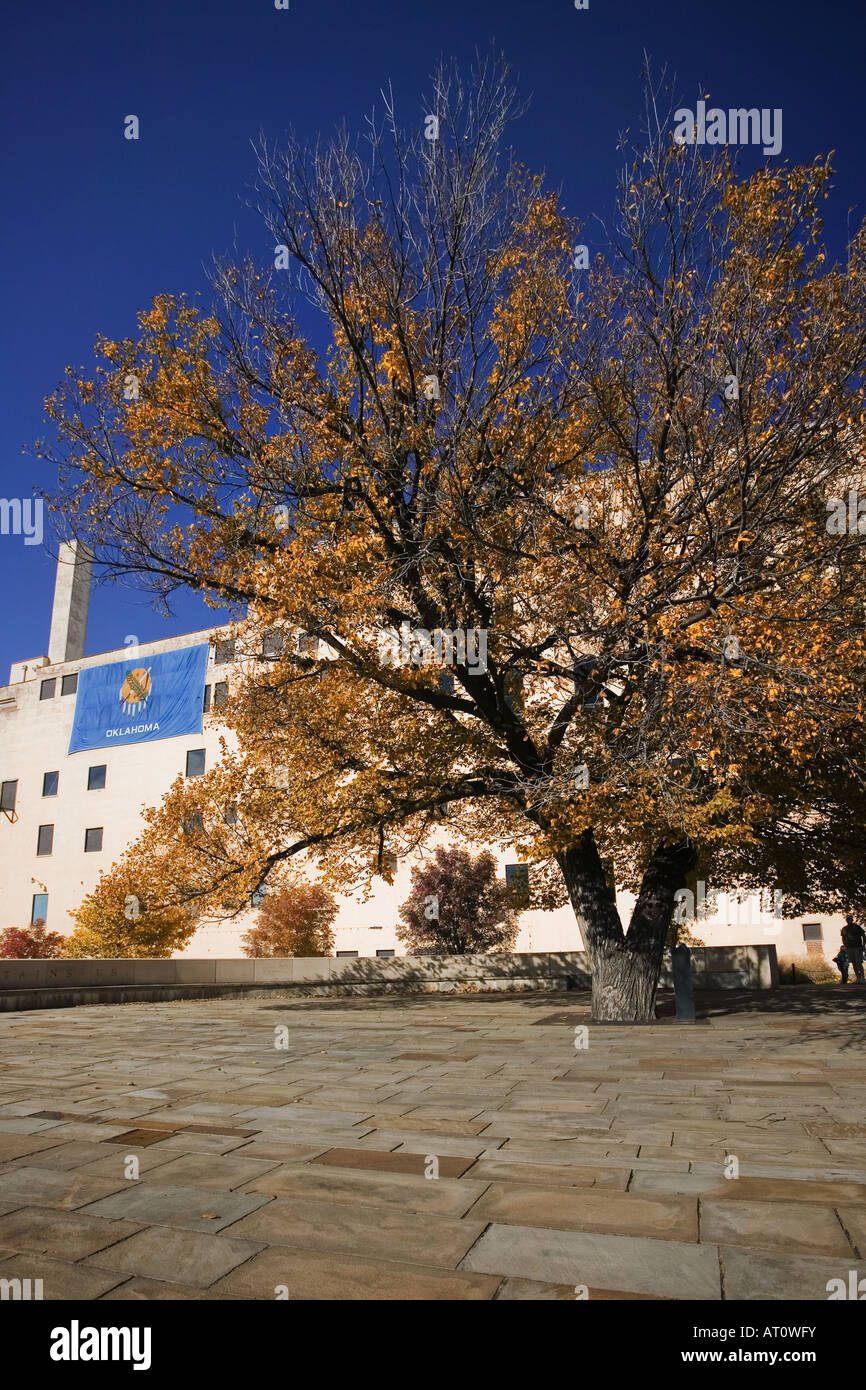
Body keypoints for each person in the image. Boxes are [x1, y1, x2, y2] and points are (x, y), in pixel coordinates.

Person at [840, 915, 866, 984]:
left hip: (857, 947)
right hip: (849, 948)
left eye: (850, 919)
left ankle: (863, 978)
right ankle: (858, 978)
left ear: (852, 920)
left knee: (859, 962)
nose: (848, 920)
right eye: (847, 919)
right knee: (854, 963)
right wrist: (845, 945)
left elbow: (863, 935)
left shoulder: (857, 927)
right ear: (846, 920)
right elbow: (843, 937)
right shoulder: (844, 928)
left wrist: (863, 945)